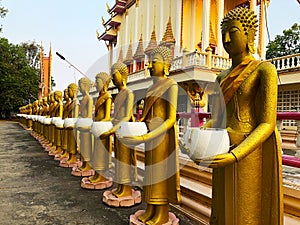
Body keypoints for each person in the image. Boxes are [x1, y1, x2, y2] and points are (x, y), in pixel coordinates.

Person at [199, 7, 283, 225]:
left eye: (233, 32)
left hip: (248, 152)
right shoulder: (221, 77)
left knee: (246, 210)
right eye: (224, 33)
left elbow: (267, 123)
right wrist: (199, 135)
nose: (226, 39)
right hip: (222, 145)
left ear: (248, 34)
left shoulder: (264, 70)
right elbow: (217, 118)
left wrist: (236, 155)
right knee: (223, 205)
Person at [120, 46, 181, 224]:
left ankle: (161, 213)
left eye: (154, 62)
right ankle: (151, 208)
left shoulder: (171, 85)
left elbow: (170, 119)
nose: (149, 66)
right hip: (150, 137)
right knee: (151, 174)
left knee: (161, 174)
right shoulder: (149, 88)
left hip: (162, 137)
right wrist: (136, 128)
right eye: (150, 62)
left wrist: (149, 135)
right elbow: (145, 116)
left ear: (165, 65)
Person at [100, 62, 136, 198]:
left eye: (114, 75)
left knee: (125, 160)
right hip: (118, 130)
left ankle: (126, 188)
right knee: (119, 159)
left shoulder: (129, 93)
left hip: (125, 129)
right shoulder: (118, 94)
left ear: (122, 75)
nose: (113, 79)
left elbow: (126, 115)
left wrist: (113, 128)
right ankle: (120, 186)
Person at [88, 72, 112, 185]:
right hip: (97, 127)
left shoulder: (108, 96)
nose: (95, 84)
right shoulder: (99, 97)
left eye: (97, 82)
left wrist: (98, 125)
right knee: (96, 153)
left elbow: (107, 117)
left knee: (101, 153)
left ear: (104, 83)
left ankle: (101, 175)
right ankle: (97, 173)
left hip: (102, 128)